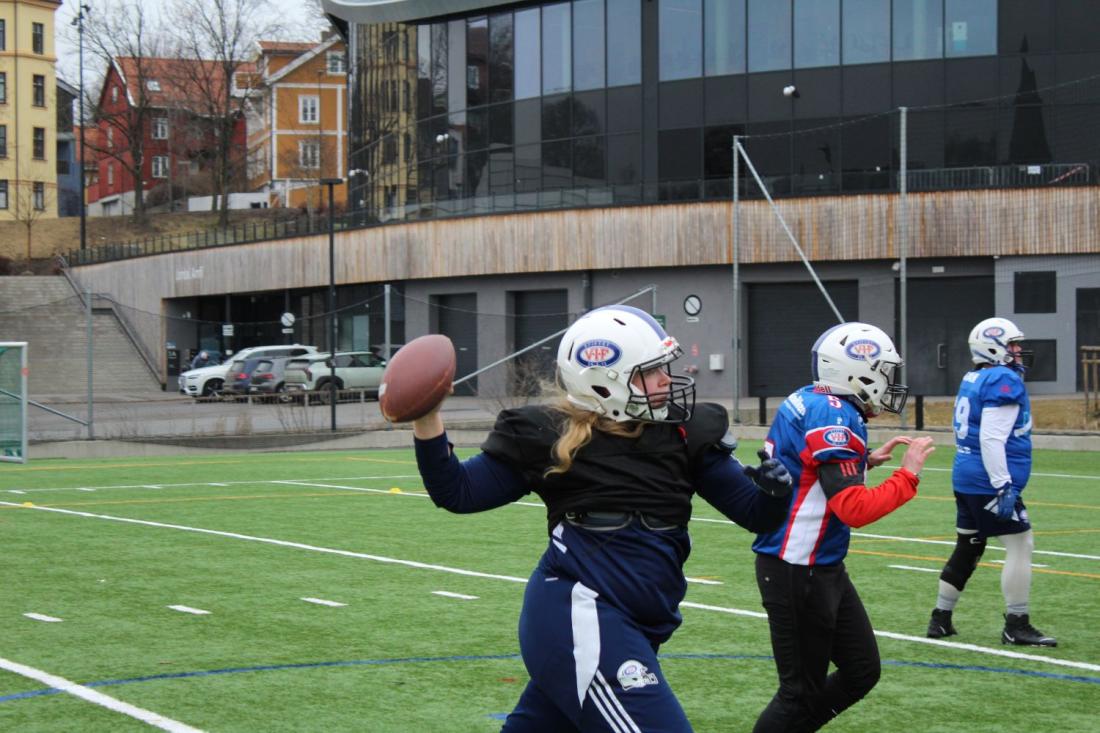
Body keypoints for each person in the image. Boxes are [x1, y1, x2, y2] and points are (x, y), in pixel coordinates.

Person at [411, 305, 794, 732]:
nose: (668, 378)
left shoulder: (683, 433)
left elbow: (756, 515)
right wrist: (426, 416)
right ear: (606, 379)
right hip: (581, 616)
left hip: (635, 625)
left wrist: (776, 492)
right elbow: (458, 492)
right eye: (652, 371)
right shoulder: (551, 436)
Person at [751, 322, 936, 733]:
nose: (889, 382)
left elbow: (808, 463)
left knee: (861, 668)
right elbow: (853, 507)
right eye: (884, 370)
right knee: (799, 694)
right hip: (798, 569)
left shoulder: (811, 398)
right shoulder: (834, 414)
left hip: (817, 565)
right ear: (858, 371)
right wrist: (908, 476)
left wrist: (863, 459)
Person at [926, 317, 1056, 647]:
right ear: (993, 347)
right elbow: (992, 438)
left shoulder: (976, 376)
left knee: (969, 545)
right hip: (987, 479)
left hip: (966, 475)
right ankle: (1017, 623)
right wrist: (1003, 484)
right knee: (1021, 544)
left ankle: (940, 618)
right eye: (1012, 345)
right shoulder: (1002, 379)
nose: (1017, 351)